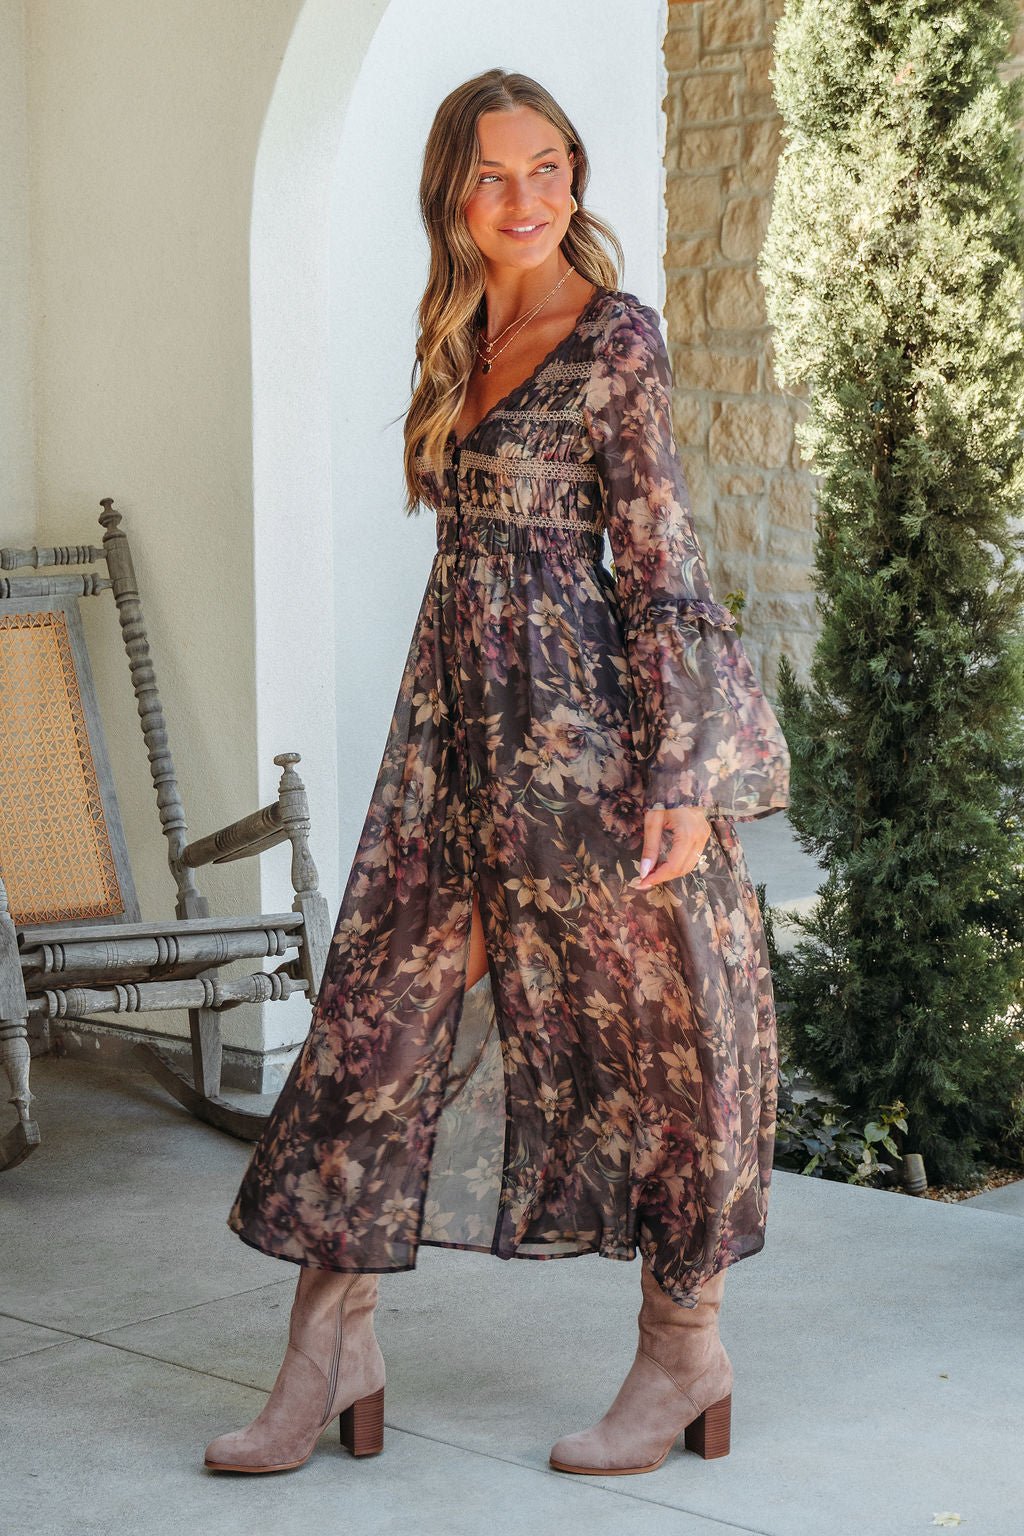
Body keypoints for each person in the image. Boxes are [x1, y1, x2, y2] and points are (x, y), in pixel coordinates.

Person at [204, 67, 790, 1480]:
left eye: (548, 168)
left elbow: (661, 566)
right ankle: (329, 1347)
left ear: (574, 179)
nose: (525, 198)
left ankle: (683, 1351)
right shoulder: (460, 337)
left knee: (666, 1042)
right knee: (373, 1033)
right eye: (491, 174)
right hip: (458, 744)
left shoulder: (617, 337)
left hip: (591, 752)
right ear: (452, 199)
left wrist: (688, 771)